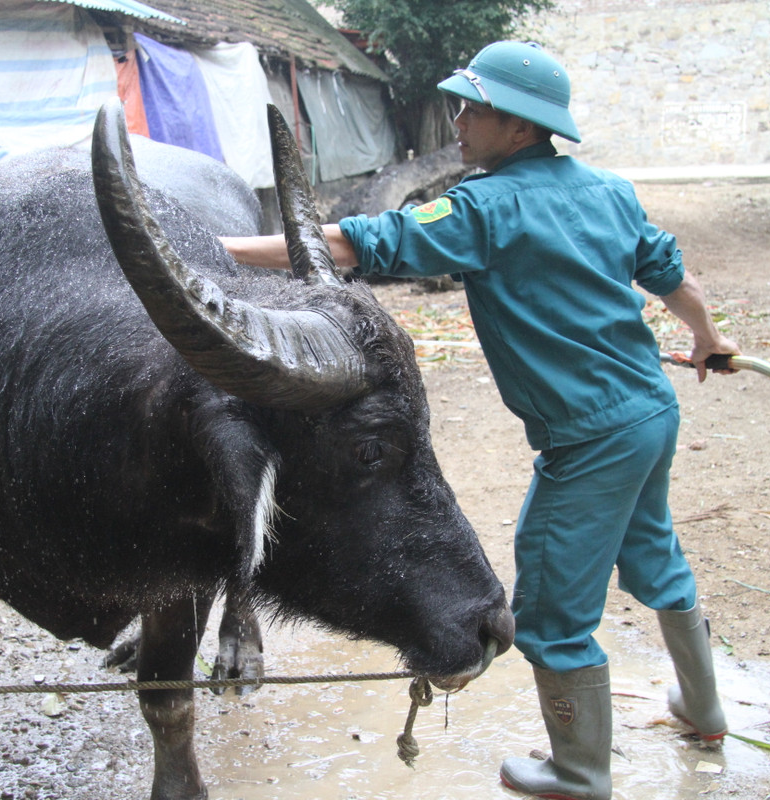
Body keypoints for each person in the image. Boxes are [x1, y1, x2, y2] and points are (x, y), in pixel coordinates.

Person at [222, 40, 741, 800]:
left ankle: (578, 771)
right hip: (649, 417)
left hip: (590, 439)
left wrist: (214, 249)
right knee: (653, 552)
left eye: (474, 108)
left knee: (551, 605)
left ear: (522, 126)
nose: (458, 120)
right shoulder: (609, 192)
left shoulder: (483, 209)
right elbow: (668, 272)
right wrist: (708, 339)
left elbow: (346, 244)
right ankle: (704, 707)